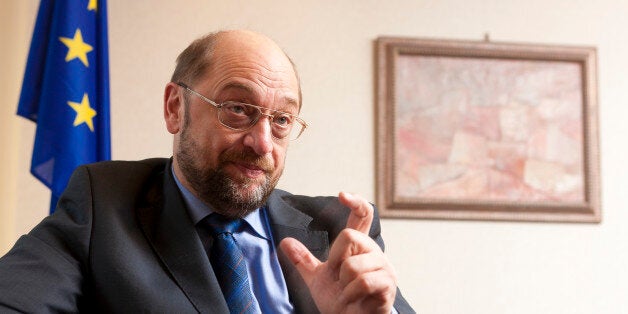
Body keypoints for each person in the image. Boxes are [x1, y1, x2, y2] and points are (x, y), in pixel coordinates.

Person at [0, 30, 415, 313]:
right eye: (237, 109)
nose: (262, 143)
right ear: (175, 108)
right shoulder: (103, 204)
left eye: (282, 120)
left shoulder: (340, 229)